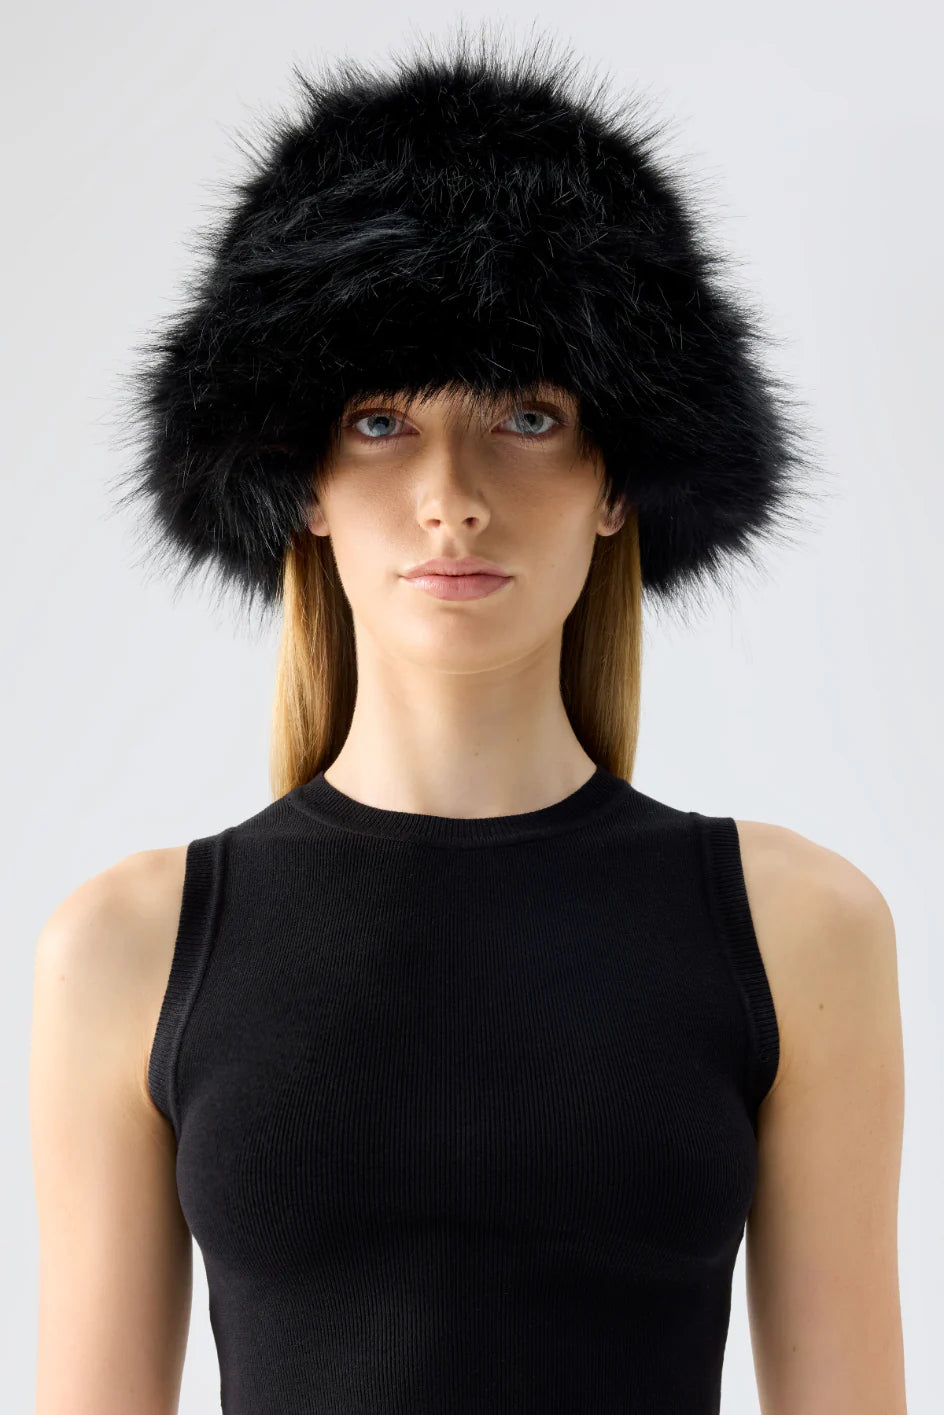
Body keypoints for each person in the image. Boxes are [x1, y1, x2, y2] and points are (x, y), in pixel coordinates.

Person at [30, 21, 907, 1415]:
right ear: (301, 484)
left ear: (618, 480)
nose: (451, 497)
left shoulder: (797, 928)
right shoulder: (129, 949)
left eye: (527, 417)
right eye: (382, 422)